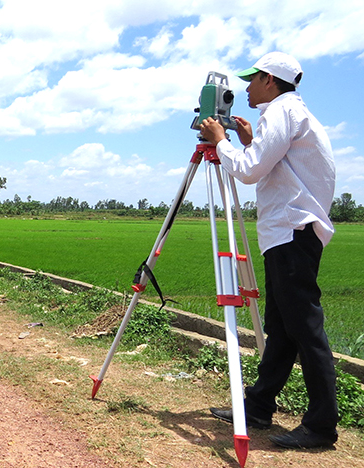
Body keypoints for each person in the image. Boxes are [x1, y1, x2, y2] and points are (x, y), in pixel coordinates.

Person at [199, 52, 337, 449]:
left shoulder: (280, 111)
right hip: (289, 234)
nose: (244, 88)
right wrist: (247, 142)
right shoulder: (294, 113)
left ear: (270, 81)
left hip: (292, 232)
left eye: (252, 80)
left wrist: (221, 142)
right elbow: (276, 164)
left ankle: (322, 426)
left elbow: (248, 171)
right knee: (282, 329)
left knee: (306, 331)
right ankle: (259, 405)